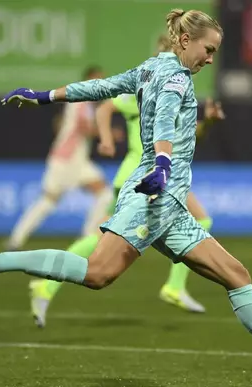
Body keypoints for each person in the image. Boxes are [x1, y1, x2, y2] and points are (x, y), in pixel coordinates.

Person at [0, 9, 252, 387]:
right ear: (186, 40)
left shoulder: (152, 67)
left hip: (170, 203)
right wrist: (163, 165)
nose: (208, 59)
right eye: (208, 50)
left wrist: (45, 96)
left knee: (236, 275)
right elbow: (164, 123)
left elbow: (100, 88)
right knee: (98, 274)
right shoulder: (176, 79)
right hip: (156, 195)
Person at [28, 35, 225, 326]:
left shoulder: (178, 86)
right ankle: (172, 287)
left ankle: (47, 284)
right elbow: (107, 105)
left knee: (198, 221)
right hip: (142, 174)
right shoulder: (150, 85)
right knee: (104, 240)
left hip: (163, 176)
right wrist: (106, 138)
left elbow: (184, 137)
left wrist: (207, 120)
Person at [6, 66, 115, 251]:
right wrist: (108, 134)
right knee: (48, 201)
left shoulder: (81, 102)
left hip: (78, 161)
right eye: (96, 80)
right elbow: (84, 126)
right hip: (65, 161)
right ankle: (16, 239)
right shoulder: (82, 101)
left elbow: (64, 124)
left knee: (105, 194)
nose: (100, 85)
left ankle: (87, 237)